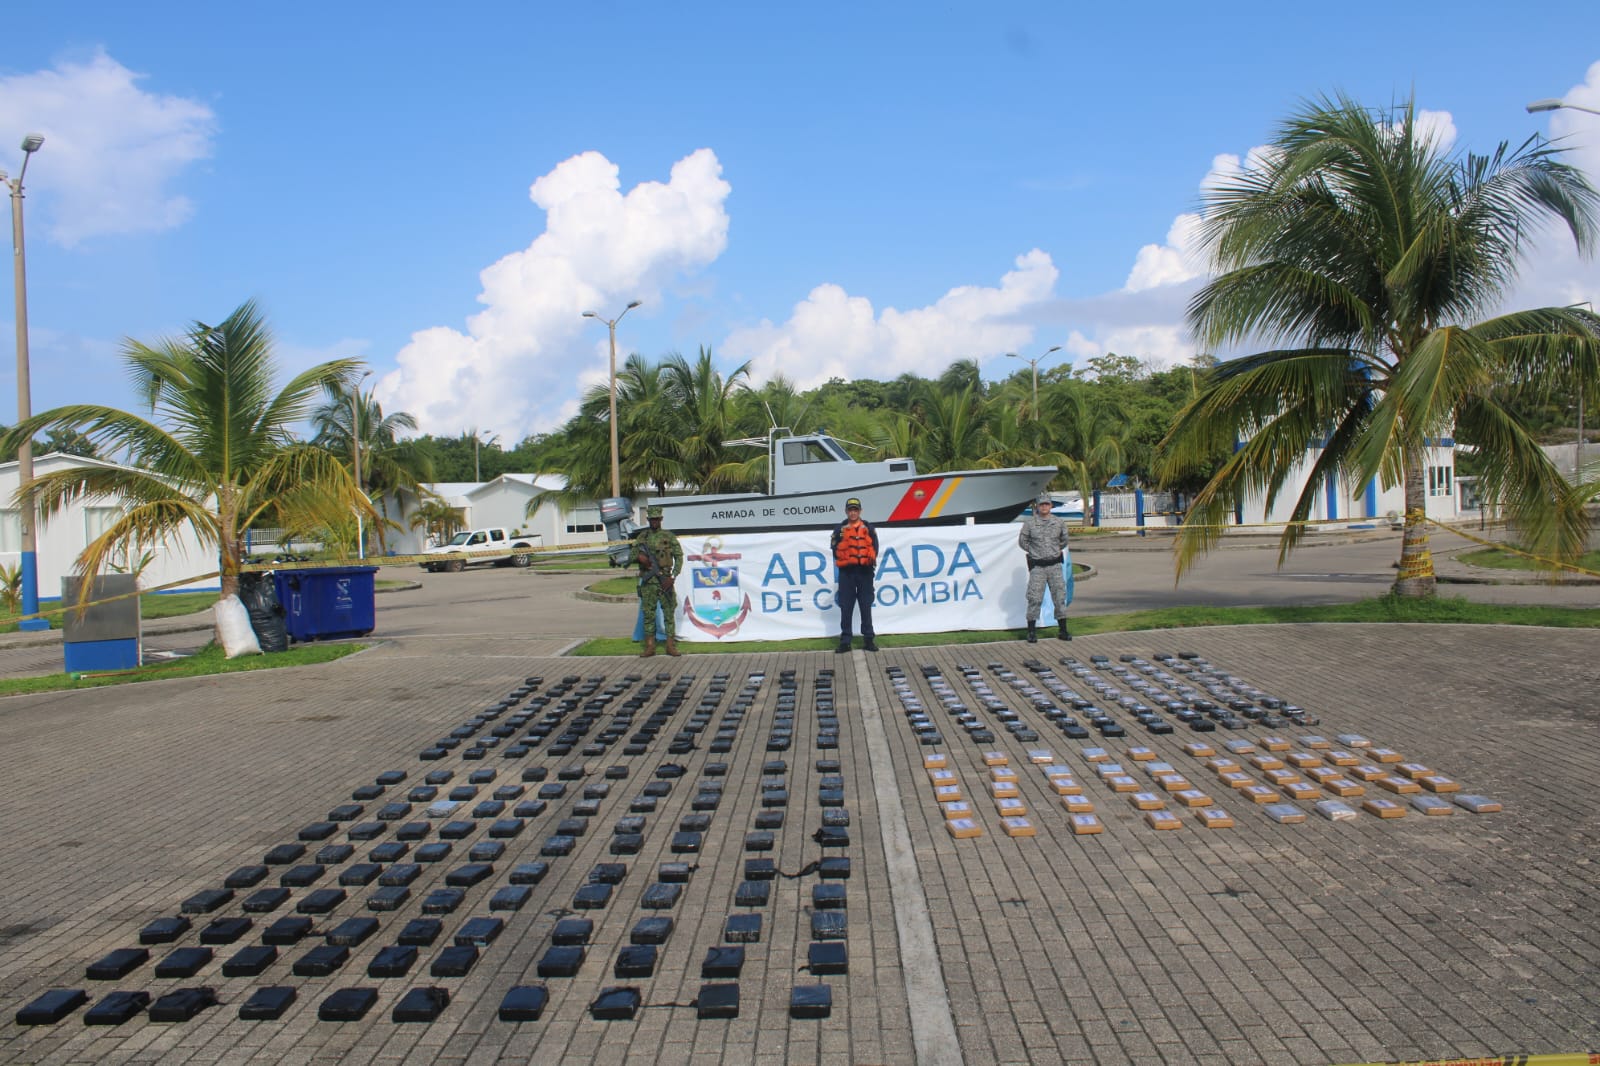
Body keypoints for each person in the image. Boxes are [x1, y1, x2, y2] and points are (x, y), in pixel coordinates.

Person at [1018, 493, 1071, 642]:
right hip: (1038, 567)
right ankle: (1031, 631)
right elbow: (1023, 542)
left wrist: (1054, 550)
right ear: (1037, 506)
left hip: (1054, 565)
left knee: (1059, 597)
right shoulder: (1029, 524)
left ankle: (1063, 630)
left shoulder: (1059, 523)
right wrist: (1035, 552)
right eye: (1041, 505)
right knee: (1034, 598)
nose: (1044, 507)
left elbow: (1064, 540)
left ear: (1051, 506)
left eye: (1047, 504)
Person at [829, 496, 879, 653]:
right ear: (846, 511)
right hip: (847, 574)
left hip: (865, 573)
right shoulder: (839, 529)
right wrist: (846, 559)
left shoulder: (869, 528)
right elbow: (834, 548)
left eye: (855, 510)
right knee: (846, 607)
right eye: (850, 510)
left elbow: (875, 547)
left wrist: (866, 561)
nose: (853, 513)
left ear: (860, 511)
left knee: (866, 606)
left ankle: (869, 640)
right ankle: (845, 641)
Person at [632, 504, 684, 657]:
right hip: (648, 583)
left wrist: (673, 576)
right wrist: (640, 558)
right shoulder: (642, 537)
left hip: (665, 580)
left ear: (661, 519)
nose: (654, 522)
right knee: (649, 614)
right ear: (648, 519)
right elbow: (632, 554)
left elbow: (679, 556)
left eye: (657, 519)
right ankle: (650, 646)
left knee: (668, 613)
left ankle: (670, 645)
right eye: (651, 519)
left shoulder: (668, 536)